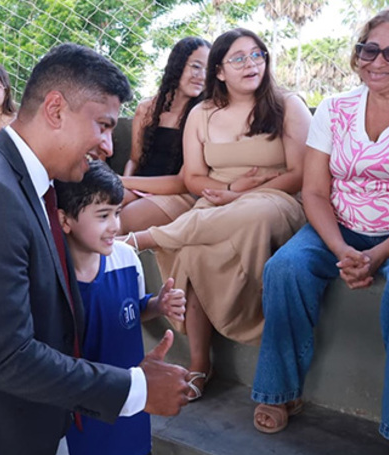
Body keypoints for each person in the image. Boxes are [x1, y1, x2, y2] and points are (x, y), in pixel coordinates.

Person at [0, 43, 192, 455]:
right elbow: (7, 355)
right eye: (103, 125)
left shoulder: (31, 187)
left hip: (22, 425)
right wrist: (135, 388)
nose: (109, 146)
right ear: (55, 109)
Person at [250, 5, 389, 455]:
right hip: (344, 225)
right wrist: (342, 249)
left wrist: (382, 252)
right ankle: (281, 390)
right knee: (284, 268)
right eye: (369, 49)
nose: (377, 61)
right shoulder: (335, 108)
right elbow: (313, 191)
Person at [122, 29, 311, 399]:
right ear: (220, 72)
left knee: (253, 213)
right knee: (192, 252)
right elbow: (192, 177)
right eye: (238, 58)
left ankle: (149, 238)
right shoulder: (202, 113)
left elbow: (301, 173)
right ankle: (199, 363)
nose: (251, 64)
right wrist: (228, 192)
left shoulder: (288, 105)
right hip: (216, 200)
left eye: (257, 55)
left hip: (274, 200)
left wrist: (247, 192)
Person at [56, 161, 187, 455]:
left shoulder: (127, 258)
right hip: (80, 429)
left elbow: (132, 309)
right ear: (64, 219)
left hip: (133, 419)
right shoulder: (51, 279)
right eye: (103, 216)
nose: (115, 225)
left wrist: (158, 305)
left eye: (117, 212)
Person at [119, 37, 211, 234]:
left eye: (208, 70)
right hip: (138, 187)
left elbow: (182, 182)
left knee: (122, 220)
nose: (201, 76)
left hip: (179, 194)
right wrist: (122, 186)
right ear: (177, 65)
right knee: (97, 207)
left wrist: (123, 182)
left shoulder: (203, 115)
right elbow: (134, 160)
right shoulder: (146, 109)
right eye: (196, 67)